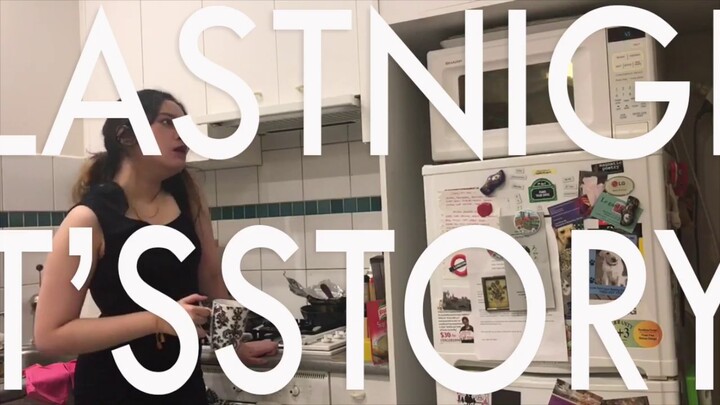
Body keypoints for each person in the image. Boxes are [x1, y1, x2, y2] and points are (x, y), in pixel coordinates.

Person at [34, 89, 278, 404]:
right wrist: (158, 320)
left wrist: (232, 348)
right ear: (126, 136)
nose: (183, 133)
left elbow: (211, 278)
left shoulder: (188, 200)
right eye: (167, 122)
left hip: (182, 383)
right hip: (112, 388)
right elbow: (50, 335)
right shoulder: (87, 219)